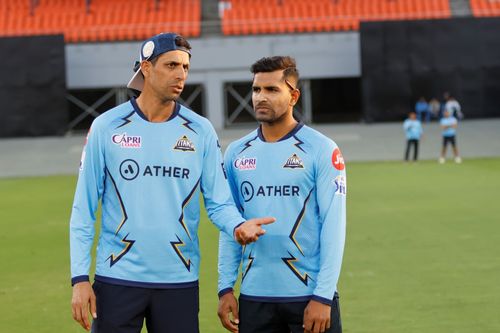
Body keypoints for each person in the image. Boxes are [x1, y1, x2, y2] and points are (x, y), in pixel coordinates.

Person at [69, 32, 275, 333]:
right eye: (171, 65)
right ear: (146, 68)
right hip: (117, 279)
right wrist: (79, 278)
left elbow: (218, 202)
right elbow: (83, 209)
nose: (181, 74)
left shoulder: (200, 131)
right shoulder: (106, 127)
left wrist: (237, 226)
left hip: (179, 280)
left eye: (185, 67)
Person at [217, 56, 346, 333]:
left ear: (293, 96)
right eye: (256, 90)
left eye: (272, 90)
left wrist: (323, 296)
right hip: (255, 299)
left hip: (309, 297)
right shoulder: (236, 153)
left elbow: (334, 227)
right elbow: (231, 225)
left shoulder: (322, 149)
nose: (260, 97)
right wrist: (225, 287)